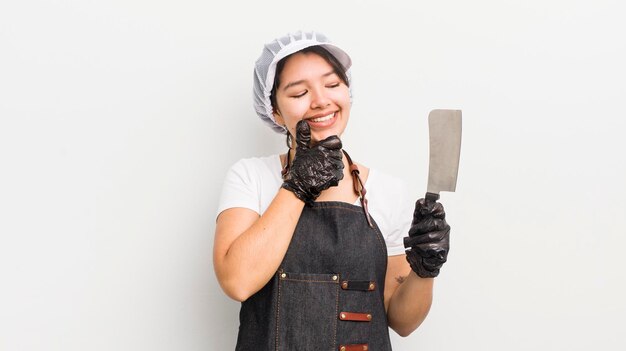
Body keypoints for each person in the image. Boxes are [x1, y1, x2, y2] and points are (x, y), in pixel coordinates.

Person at [213, 31, 450, 351]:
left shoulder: (387, 190)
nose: (321, 100)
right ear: (276, 113)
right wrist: (297, 186)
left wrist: (425, 269)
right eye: (299, 93)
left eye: (333, 84)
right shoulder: (251, 177)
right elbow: (237, 282)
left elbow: (401, 321)